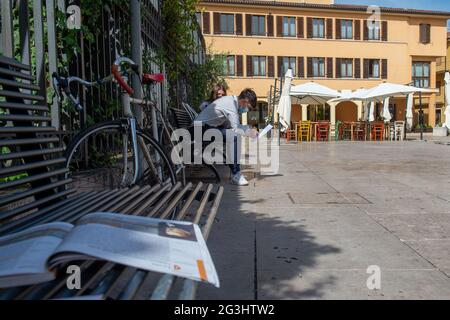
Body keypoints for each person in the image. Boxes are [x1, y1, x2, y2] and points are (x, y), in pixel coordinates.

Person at [194, 88, 258, 186]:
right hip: (200, 130)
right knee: (234, 136)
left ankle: (235, 172)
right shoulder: (231, 105)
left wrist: (249, 129)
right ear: (245, 101)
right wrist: (249, 132)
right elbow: (235, 129)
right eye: (248, 107)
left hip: (203, 128)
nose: (246, 110)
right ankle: (235, 174)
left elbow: (232, 126)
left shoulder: (231, 101)